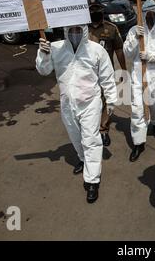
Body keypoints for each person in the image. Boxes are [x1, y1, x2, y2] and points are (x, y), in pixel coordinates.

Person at [36, 24, 117, 204]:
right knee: (75, 136)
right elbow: (44, 70)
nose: (74, 34)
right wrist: (43, 53)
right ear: (65, 31)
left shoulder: (96, 50)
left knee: (91, 139)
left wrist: (111, 99)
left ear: (84, 30)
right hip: (67, 102)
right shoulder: (55, 48)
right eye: (71, 30)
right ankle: (82, 159)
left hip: (90, 103)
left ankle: (92, 180)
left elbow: (107, 75)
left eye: (78, 30)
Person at [123, 0, 155, 162]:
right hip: (138, 75)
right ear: (143, 14)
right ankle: (139, 142)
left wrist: (153, 56)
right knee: (137, 109)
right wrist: (136, 38)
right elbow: (128, 53)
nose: (150, 16)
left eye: (153, 12)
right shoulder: (134, 30)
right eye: (147, 13)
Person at [88, 3, 127, 148]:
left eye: (99, 12)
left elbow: (118, 50)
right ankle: (90, 130)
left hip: (105, 73)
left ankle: (103, 130)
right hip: (87, 74)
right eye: (93, 12)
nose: (96, 14)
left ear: (103, 13)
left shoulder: (111, 28)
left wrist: (123, 70)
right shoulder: (83, 29)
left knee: (106, 102)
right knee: (90, 102)